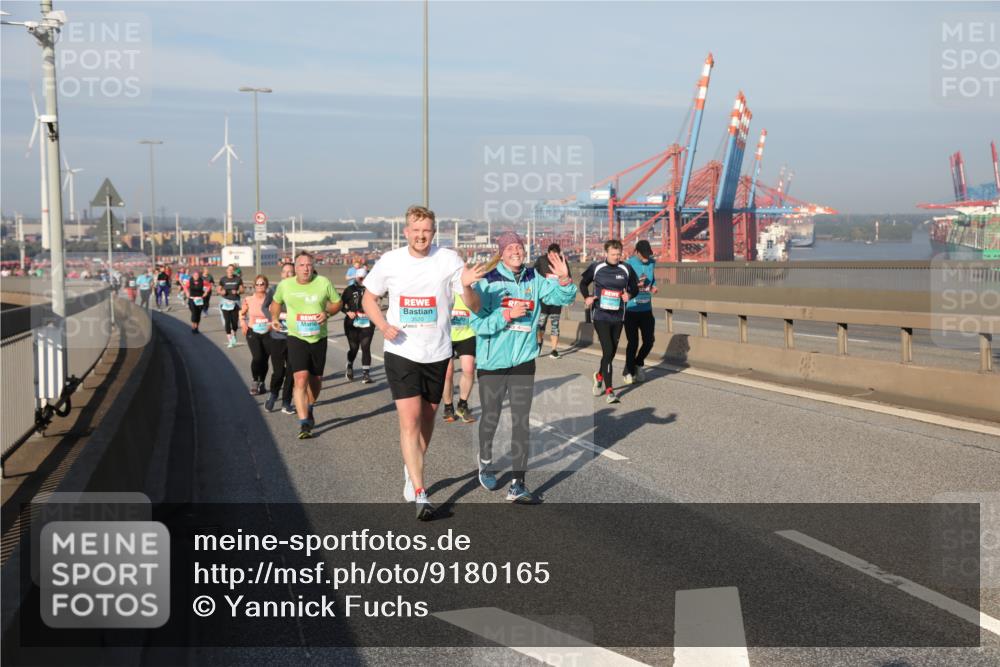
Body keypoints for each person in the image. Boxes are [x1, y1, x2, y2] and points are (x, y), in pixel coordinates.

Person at [362, 205, 485, 520]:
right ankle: (420, 491)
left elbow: (474, 306)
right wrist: (382, 325)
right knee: (410, 420)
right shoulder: (391, 261)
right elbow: (368, 298)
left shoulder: (448, 260)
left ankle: (411, 463)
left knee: (428, 419)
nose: (421, 236)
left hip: (438, 352)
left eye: (426, 231)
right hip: (401, 351)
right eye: (415, 230)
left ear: (434, 232)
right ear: (406, 232)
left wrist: (468, 285)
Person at [471, 232, 576, 504]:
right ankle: (485, 460)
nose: (517, 251)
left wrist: (564, 279)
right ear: (502, 253)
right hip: (492, 363)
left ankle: (518, 483)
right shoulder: (488, 282)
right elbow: (478, 325)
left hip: (523, 362)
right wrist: (505, 315)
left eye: (519, 247)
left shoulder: (534, 279)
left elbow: (564, 298)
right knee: (491, 417)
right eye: (511, 248)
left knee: (521, 422)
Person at [270, 250, 342, 440]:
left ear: (313, 266)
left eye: (309, 265)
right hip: (296, 336)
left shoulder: (323, 283)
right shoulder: (286, 285)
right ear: (295, 267)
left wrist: (327, 313)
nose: (305, 268)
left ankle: (310, 406)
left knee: (316, 380)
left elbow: (337, 303)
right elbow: (276, 302)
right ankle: (304, 423)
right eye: (301, 265)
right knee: (300, 377)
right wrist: (275, 317)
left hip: (319, 337)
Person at [579, 239, 638, 404]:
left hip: (619, 316)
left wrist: (630, 296)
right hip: (600, 316)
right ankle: (610, 391)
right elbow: (583, 283)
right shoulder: (596, 267)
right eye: (613, 254)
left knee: (610, 353)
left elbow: (635, 287)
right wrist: (587, 297)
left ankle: (599, 375)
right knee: (608, 349)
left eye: (618, 254)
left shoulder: (626, 268)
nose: (616, 257)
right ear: (606, 253)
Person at [623, 239, 658, 384]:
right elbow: (622, 283)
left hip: (646, 309)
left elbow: (651, 280)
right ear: (636, 252)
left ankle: (637, 364)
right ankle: (628, 371)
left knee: (649, 341)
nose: (646, 258)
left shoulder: (651, 262)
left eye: (647, 254)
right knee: (633, 342)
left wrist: (653, 286)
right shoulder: (629, 264)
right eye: (643, 255)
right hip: (631, 309)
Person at [263, 262, 296, 413]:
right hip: (277, 336)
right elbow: (265, 306)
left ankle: (286, 402)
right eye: (286, 272)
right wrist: (273, 318)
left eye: (291, 272)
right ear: (281, 274)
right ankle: (273, 394)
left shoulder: (299, 290)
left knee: (291, 371)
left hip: (295, 336)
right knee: (278, 371)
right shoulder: (274, 290)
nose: (288, 274)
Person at [441, 289, 476, 424]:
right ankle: (448, 406)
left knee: (468, 370)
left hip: (467, 334)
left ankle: (462, 405)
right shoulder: (445, 286)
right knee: (448, 372)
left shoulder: (469, 288)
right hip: (446, 335)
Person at [534, 242, 572, 359]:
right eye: (551, 256)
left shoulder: (562, 262)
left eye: (556, 256)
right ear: (548, 253)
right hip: (543, 299)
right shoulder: (541, 260)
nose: (553, 258)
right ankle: (539, 344)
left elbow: (568, 278)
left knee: (555, 324)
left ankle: (554, 350)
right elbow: (533, 275)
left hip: (557, 300)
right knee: (541, 325)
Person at [340, 267, 375, 384]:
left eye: (365, 278)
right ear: (356, 278)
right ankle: (349, 365)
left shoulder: (372, 289)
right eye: (360, 278)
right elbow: (339, 304)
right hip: (352, 323)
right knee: (354, 348)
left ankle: (366, 375)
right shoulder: (349, 290)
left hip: (368, 322)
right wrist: (347, 312)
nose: (363, 280)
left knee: (365, 347)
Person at [241, 275, 272, 395]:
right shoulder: (249, 299)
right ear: (254, 286)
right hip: (253, 331)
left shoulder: (272, 299)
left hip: (268, 332)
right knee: (257, 357)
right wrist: (243, 322)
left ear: (266, 285)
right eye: (257, 284)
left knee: (265, 359)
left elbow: (276, 314)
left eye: (262, 284)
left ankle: (262, 382)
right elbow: (242, 313)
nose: (260, 286)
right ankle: (255, 381)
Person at [217, 264, 244, 348]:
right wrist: (222, 292)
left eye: (232, 269)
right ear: (226, 270)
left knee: (235, 322)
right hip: (225, 301)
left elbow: (242, 289)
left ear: (233, 271)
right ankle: (230, 340)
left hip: (235, 302)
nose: (230, 271)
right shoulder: (223, 279)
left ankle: (234, 335)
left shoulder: (238, 279)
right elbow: (218, 289)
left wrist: (237, 292)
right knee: (227, 321)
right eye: (229, 269)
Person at [184, 269, 210, 334]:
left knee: (198, 314)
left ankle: (197, 327)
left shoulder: (202, 281)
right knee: (194, 313)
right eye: (194, 275)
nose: (196, 276)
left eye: (197, 275)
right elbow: (185, 287)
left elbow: (209, 286)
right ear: (192, 276)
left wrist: (206, 292)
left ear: (199, 276)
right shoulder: (190, 281)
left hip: (200, 299)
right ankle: (193, 327)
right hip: (192, 299)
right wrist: (187, 292)